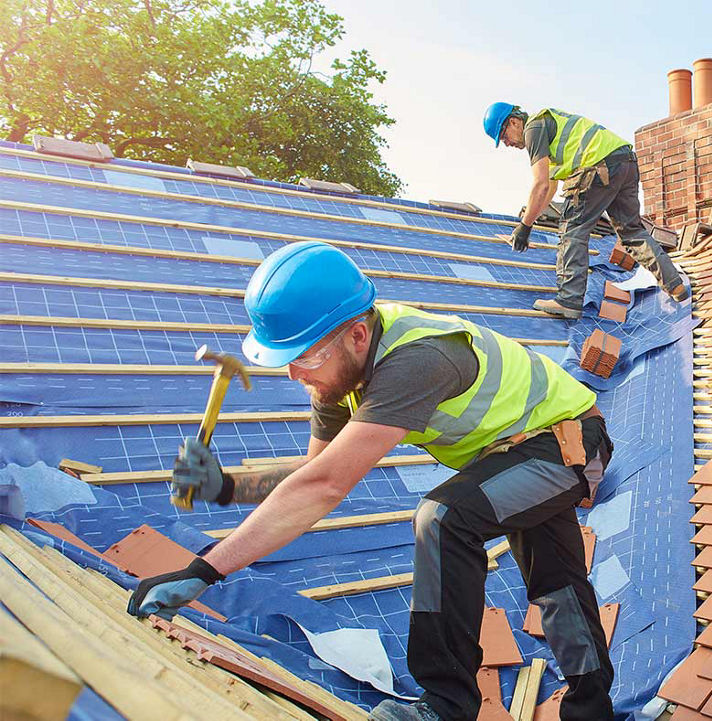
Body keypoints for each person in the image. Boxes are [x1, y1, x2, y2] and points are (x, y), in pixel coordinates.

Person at [127, 241, 616, 721]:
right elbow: (311, 475)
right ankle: (591, 711)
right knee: (558, 586)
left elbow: (324, 490)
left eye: (307, 356)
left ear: (357, 335)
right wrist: (227, 485)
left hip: (569, 442)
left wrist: (205, 570)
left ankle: (445, 707)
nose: (297, 373)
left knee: (444, 519)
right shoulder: (336, 375)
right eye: (287, 360)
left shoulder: (416, 361)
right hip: (516, 451)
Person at [482, 102, 688, 319]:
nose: (506, 144)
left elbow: (540, 183)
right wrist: (529, 222)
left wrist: (524, 227)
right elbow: (549, 188)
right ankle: (675, 285)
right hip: (624, 162)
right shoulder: (549, 130)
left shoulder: (533, 128)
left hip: (597, 167)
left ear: (514, 122)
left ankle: (569, 299)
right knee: (632, 232)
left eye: (504, 136)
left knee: (572, 229)